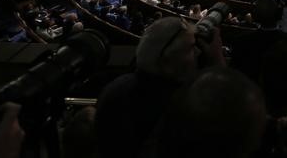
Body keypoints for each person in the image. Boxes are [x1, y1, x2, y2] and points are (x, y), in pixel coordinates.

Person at [95, 17, 224, 158]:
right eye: (191, 47)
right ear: (168, 58)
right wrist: (218, 63)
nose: (198, 53)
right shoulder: (183, 106)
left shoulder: (117, 87)